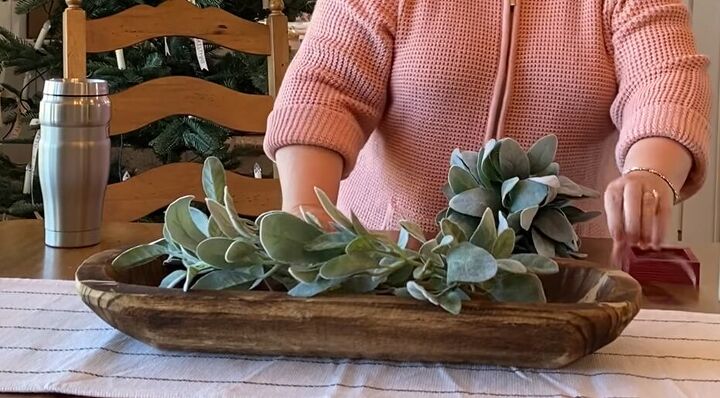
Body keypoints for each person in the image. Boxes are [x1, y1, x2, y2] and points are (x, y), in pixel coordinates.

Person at [263, 0, 710, 255]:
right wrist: (307, 207)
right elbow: (324, 86)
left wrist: (651, 171)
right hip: (393, 260)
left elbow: (667, 77)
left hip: (563, 268)